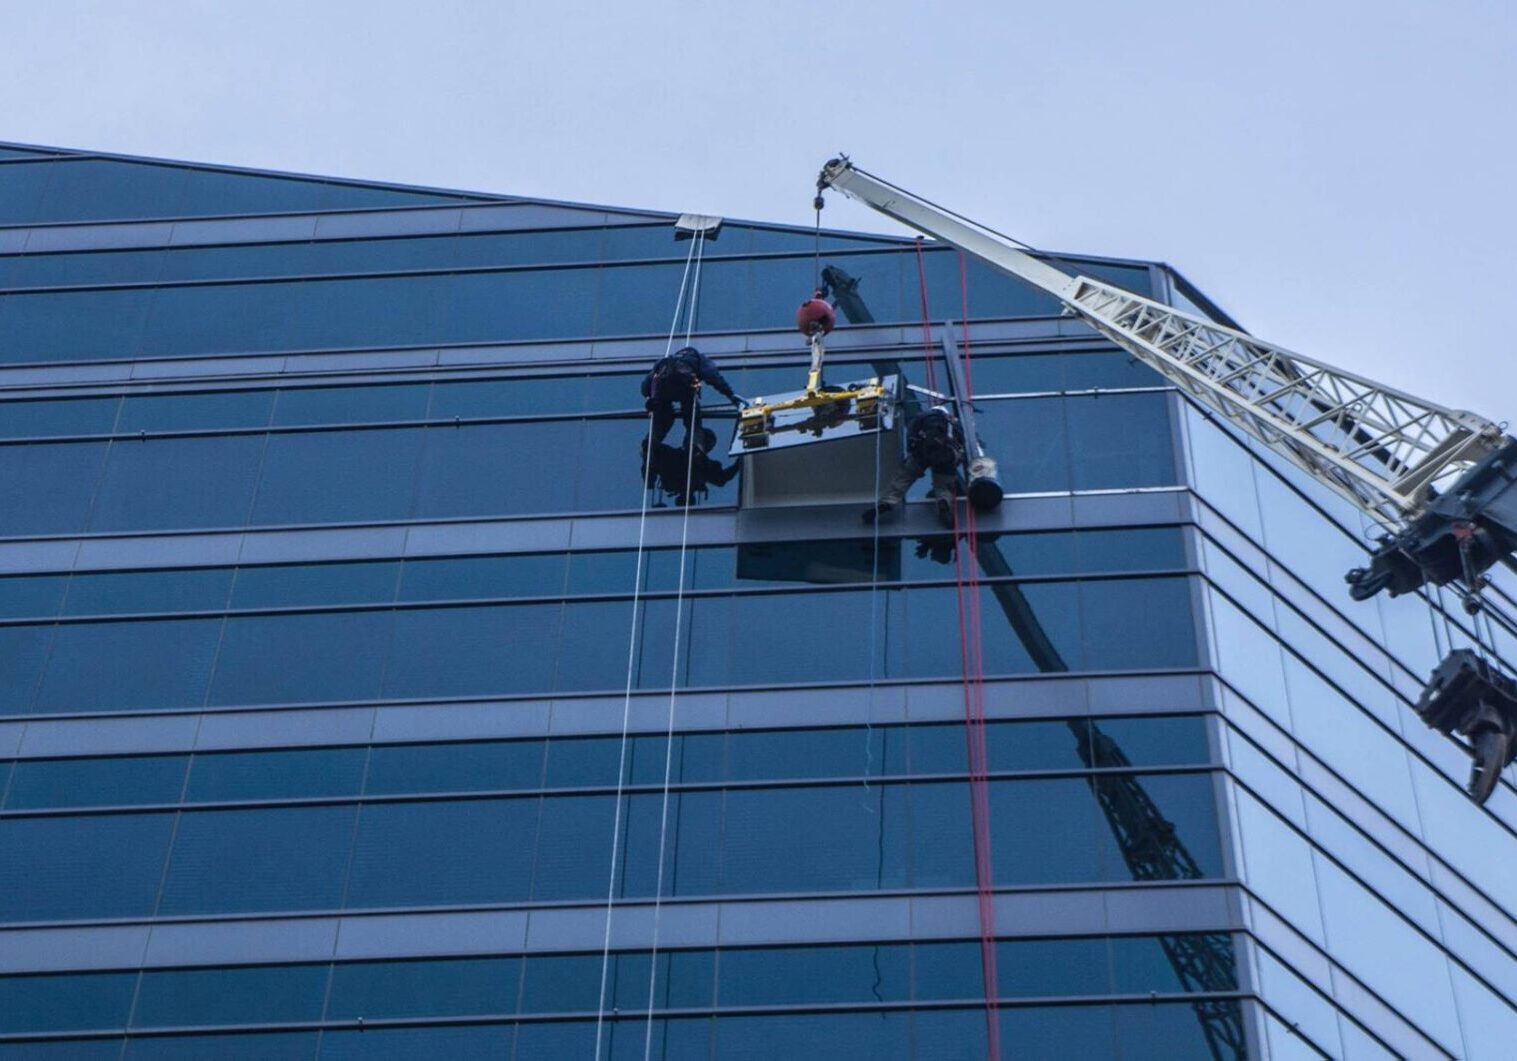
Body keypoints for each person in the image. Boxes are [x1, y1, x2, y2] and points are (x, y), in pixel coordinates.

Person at [864, 404, 964, 528]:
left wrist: (912, 452)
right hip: (945, 454)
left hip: (921, 452)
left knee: (904, 478)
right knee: (943, 487)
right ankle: (944, 503)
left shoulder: (921, 417)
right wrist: (955, 459)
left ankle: (888, 502)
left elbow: (911, 433)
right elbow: (961, 439)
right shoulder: (951, 420)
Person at [640, 345, 745, 445]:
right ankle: (695, 446)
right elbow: (713, 377)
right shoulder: (698, 358)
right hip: (684, 387)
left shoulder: (666, 362)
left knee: (664, 419)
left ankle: (649, 444)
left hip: (663, 390)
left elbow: (647, 384)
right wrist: (730, 394)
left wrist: (651, 398)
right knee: (693, 419)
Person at [641, 427, 739, 507]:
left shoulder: (670, 455)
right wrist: (739, 463)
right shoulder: (704, 465)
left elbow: (722, 479)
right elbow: (722, 478)